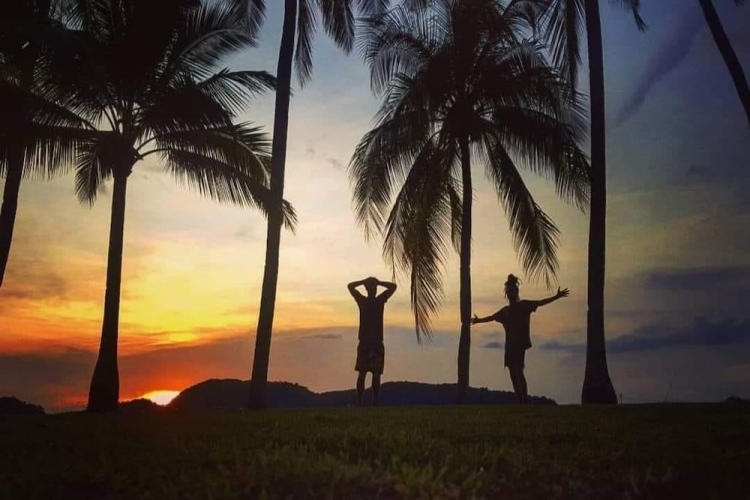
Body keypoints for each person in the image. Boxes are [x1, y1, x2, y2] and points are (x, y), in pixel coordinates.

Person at [471, 274, 569, 404]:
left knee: (518, 371)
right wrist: (478, 320)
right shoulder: (506, 311)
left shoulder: (523, 306)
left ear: (515, 293)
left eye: (512, 292)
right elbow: (492, 317)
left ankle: (524, 400)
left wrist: (556, 297)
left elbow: (540, 302)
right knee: (514, 372)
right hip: (511, 345)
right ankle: (521, 400)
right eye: (509, 292)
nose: (510, 295)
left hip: (519, 344)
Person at [347, 276, 397, 406]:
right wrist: (378, 283)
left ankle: (361, 402)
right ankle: (373, 402)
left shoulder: (363, 301)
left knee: (364, 373)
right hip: (374, 342)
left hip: (366, 341)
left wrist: (363, 282)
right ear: (375, 289)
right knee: (375, 373)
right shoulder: (379, 300)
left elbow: (350, 286)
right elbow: (393, 287)